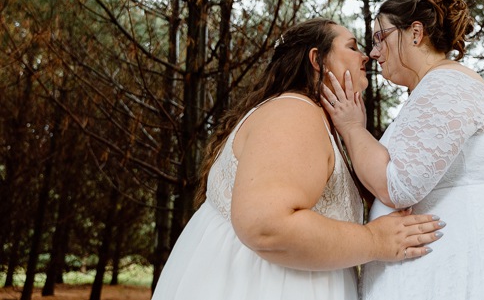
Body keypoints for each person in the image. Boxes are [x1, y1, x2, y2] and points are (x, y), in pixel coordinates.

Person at [151, 18, 444, 300]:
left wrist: (352, 131)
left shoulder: (309, 117)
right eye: (352, 47)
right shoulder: (294, 113)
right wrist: (376, 241)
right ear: (317, 60)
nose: (365, 56)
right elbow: (267, 225)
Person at [322, 0, 484, 299]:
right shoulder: (431, 90)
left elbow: (399, 186)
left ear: (415, 34)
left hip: (469, 265)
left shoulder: (447, 84)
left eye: (381, 37)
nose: (375, 52)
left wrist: (353, 128)